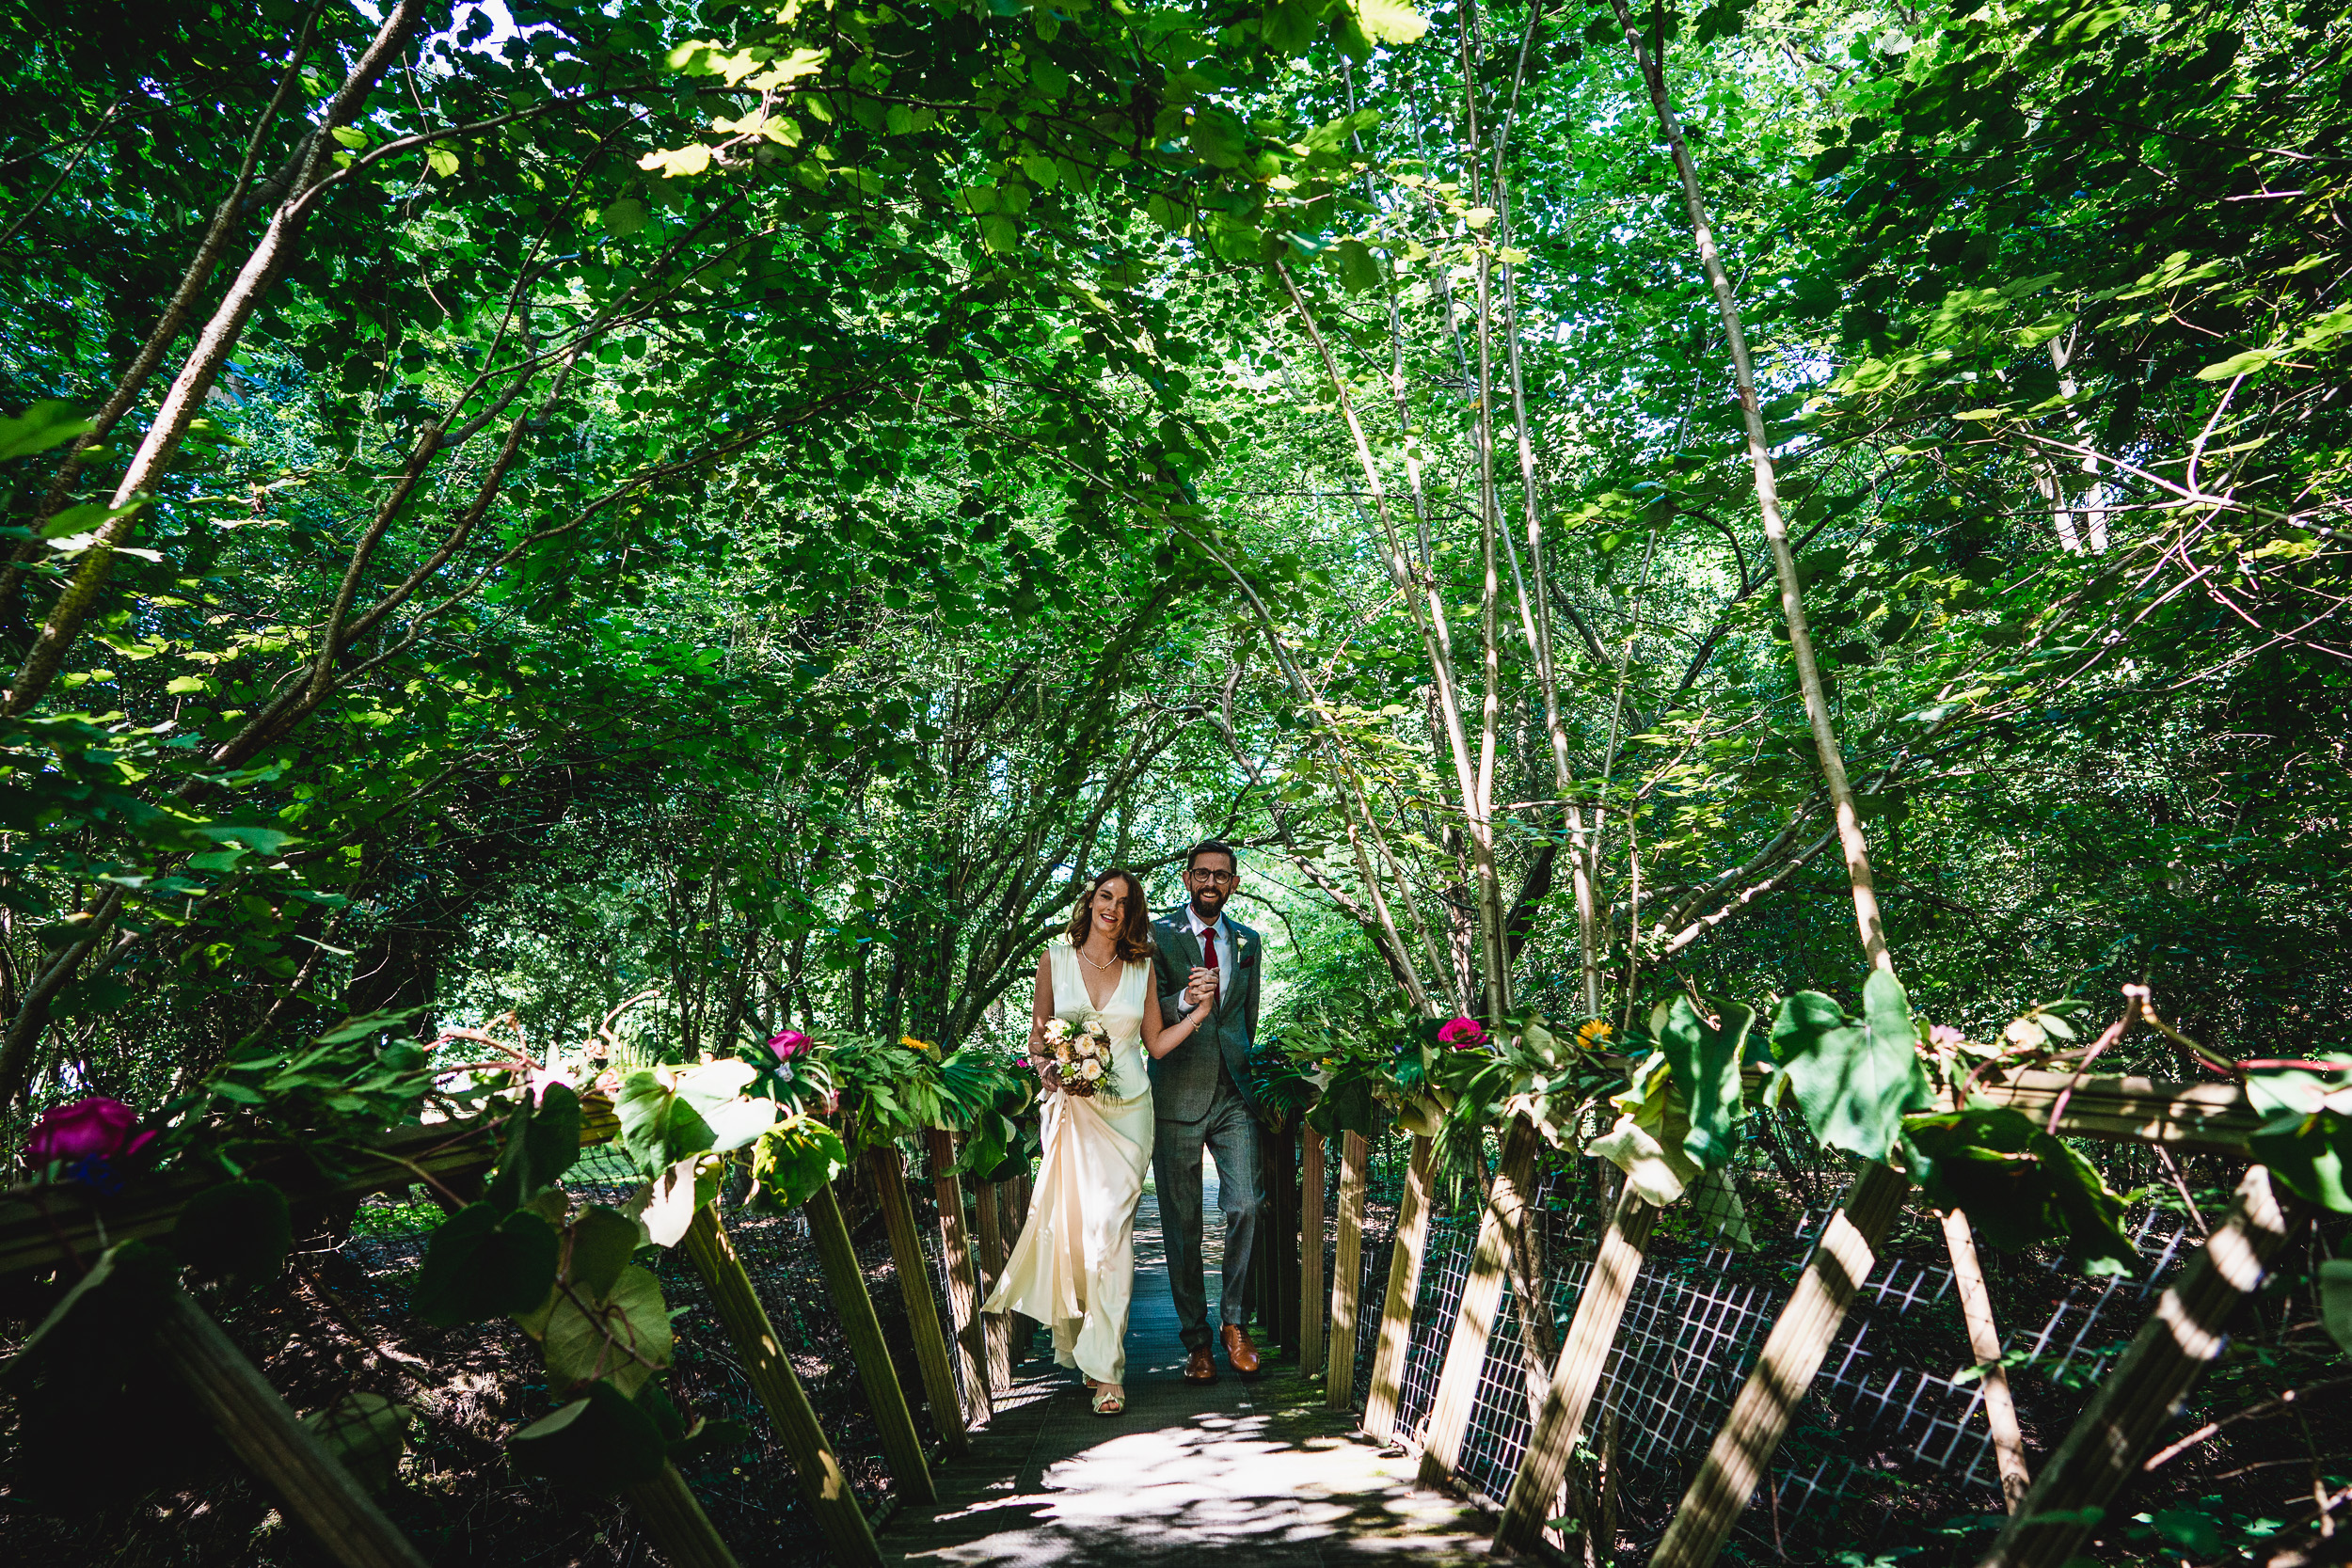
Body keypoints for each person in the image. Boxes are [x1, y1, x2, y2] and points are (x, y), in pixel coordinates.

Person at [982, 867, 1209, 1417]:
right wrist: (1049, 1072)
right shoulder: (1055, 960)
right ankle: (1084, 1347)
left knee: (1111, 1230)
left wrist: (1198, 1014)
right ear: (1091, 902)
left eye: (1125, 902)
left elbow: (1154, 1044)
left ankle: (1107, 1369)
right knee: (1081, 1233)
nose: (1113, 906)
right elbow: (1038, 1042)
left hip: (1130, 1114)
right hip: (1075, 1112)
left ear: (1133, 914)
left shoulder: (1142, 966)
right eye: (1106, 896)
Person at [1148, 839, 1267, 1385]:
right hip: (1175, 1092)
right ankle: (1196, 1341)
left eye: (1221, 875)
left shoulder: (1249, 941)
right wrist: (1184, 1002)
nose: (1210, 883)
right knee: (1182, 1221)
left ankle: (1234, 1324)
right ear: (1188, 878)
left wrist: (1246, 1067)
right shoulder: (1158, 936)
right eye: (1201, 874)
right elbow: (1145, 1011)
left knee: (1245, 1204)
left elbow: (1247, 1016)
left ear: (1234, 882)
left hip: (1234, 1094)